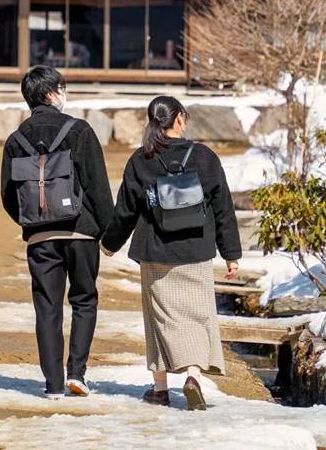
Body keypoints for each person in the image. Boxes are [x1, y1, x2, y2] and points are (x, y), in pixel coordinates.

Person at [101, 95, 242, 411]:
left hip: (156, 249)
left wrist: (110, 243)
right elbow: (223, 209)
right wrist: (231, 254)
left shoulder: (141, 159)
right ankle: (192, 376)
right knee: (198, 315)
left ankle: (160, 388)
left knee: (159, 319)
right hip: (196, 249)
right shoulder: (204, 157)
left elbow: (126, 209)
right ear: (179, 118)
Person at [0, 65, 114, 400]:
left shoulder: (15, 139)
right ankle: (76, 373)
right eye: (62, 88)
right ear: (53, 93)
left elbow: (8, 196)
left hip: (40, 238)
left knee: (47, 308)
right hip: (81, 234)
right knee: (84, 300)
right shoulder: (79, 130)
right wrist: (107, 233)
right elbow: (98, 187)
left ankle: (51, 385)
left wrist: (31, 222)